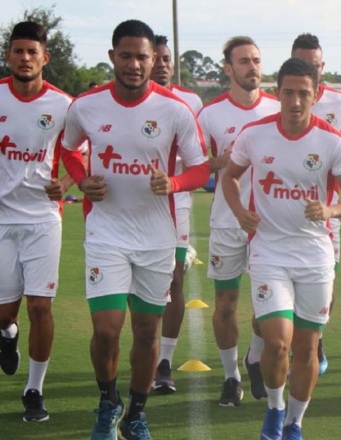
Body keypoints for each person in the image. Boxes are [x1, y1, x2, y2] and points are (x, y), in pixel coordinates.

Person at [60, 19, 210, 439]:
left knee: (146, 332)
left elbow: (200, 167)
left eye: (142, 56)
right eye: (125, 55)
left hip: (157, 237)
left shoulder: (175, 109)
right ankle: (108, 404)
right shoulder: (85, 106)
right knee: (106, 331)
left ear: (153, 60)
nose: (134, 64)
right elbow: (68, 148)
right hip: (105, 232)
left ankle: (137, 414)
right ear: (112, 57)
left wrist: (175, 182)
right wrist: (81, 177)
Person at [221, 57, 341, 440]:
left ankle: (295, 422)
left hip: (315, 257)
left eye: (304, 93)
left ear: (316, 95)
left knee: (307, 348)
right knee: (277, 342)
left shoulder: (331, 142)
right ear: (277, 92)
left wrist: (331, 209)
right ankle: (274, 407)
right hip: (269, 252)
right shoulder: (254, 135)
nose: (296, 102)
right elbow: (230, 178)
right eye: (288, 93)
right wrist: (239, 211)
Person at [0, 20, 73, 423]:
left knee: (41, 307)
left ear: (45, 57)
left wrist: (63, 181)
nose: (25, 58)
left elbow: (82, 149)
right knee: (4, 312)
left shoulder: (63, 104)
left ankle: (34, 389)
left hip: (44, 219)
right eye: (18, 51)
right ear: (8, 55)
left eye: (33, 52)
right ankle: (6, 335)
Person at [197, 35, 279, 406]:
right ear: (228, 69)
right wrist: (221, 162)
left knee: (269, 305)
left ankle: (254, 357)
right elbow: (194, 168)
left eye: (257, 60)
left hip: (271, 225)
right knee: (226, 303)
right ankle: (231, 377)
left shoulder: (278, 109)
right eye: (244, 61)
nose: (252, 67)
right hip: (228, 222)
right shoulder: (210, 114)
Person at [291, 33, 341, 375]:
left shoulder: (340, 104)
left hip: (326, 214)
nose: (308, 70)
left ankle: (316, 340)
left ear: (322, 66)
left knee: (325, 285)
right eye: (302, 63)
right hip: (281, 216)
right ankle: (278, 346)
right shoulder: (282, 102)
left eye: (314, 65)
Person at [149, 34, 205, 394]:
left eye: (168, 58)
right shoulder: (121, 100)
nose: (164, 64)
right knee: (143, 289)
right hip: (131, 208)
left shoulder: (191, 101)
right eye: (158, 58)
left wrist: (177, 181)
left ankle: (164, 362)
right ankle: (145, 352)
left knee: (174, 282)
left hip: (176, 203)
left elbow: (199, 155)